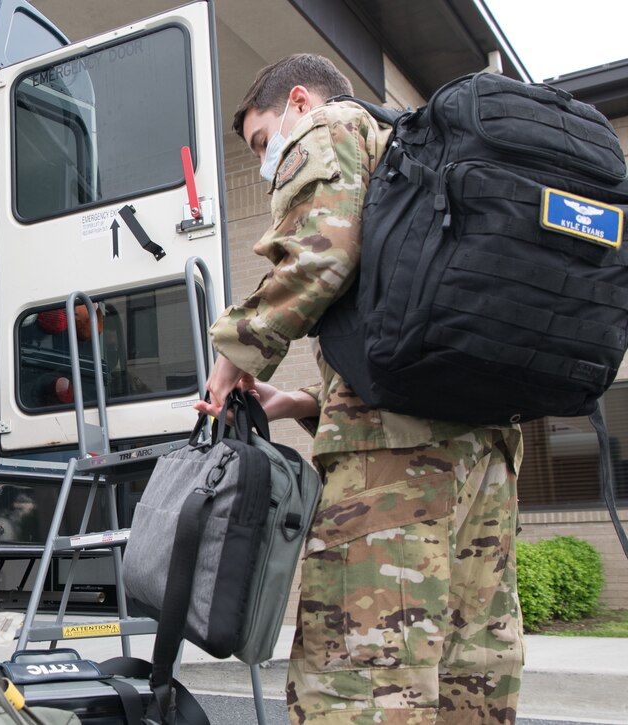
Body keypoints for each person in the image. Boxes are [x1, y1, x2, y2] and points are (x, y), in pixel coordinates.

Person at [195, 54, 524, 723]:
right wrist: (303, 403)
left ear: (296, 102)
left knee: (362, 683)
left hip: (394, 470)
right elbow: (402, 331)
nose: (266, 161)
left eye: (263, 141)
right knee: (470, 677)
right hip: (484, 452)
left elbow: (322, 255)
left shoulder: (330, 125)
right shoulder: (412, 160)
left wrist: (236, 350)